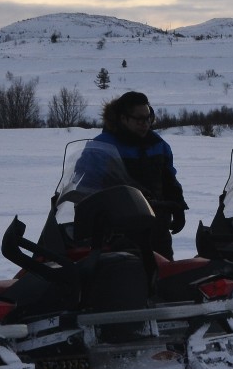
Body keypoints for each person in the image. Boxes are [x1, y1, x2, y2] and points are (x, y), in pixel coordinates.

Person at [75, 91, 187, 255]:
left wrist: (178, 207)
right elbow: (85, 189)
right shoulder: (101, 147)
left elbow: (170, 181)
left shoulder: (158, 145)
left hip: (157, 226)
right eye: (139, 119)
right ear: (123, 118)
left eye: (148, 118)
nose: (145, 124)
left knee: (163, 276)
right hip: (117, 232)